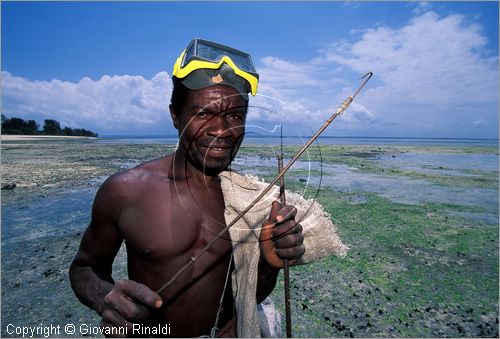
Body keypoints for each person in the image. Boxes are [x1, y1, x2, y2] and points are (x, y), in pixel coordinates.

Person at [69, 39, 347, 338]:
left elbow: (250, 294)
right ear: (176, 115)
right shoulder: (125, 191)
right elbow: (85, 269)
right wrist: (105, 298)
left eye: (234, 116)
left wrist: (269, 263)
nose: (221, 131)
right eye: (203, 114)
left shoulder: (249, 201)